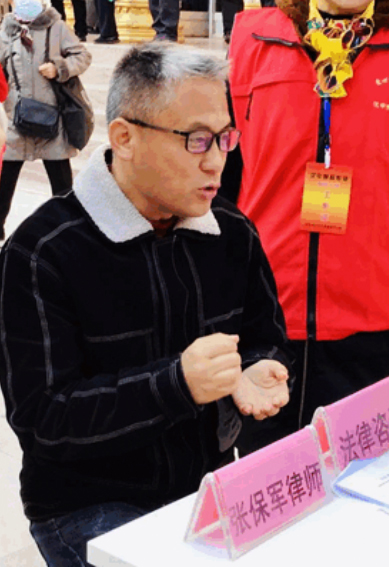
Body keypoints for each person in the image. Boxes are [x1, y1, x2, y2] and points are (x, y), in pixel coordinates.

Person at [0, 44, 295, 567]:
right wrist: (176, 385)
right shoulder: (42, 250)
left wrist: (257, 367)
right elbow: (42, 419)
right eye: (195, 139)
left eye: (225, 137)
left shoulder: (231, 232)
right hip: (85, 505)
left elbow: (265, 333)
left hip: (203, 488)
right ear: (124, 138)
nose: (216, 160)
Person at [224, 0, 389, 454]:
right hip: (263, 310)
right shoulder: (253, 38)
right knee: (264, 476)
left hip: (373, 319)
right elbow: (224, 175)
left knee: (363, 478)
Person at [0, 0, 91, 241]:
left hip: (52, 119)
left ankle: (69, 235)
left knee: (62, 188)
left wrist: (59, 67)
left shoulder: (56, 26)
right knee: (3, 183)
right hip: (16, 120)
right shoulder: (7, 30)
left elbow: (82, 55)